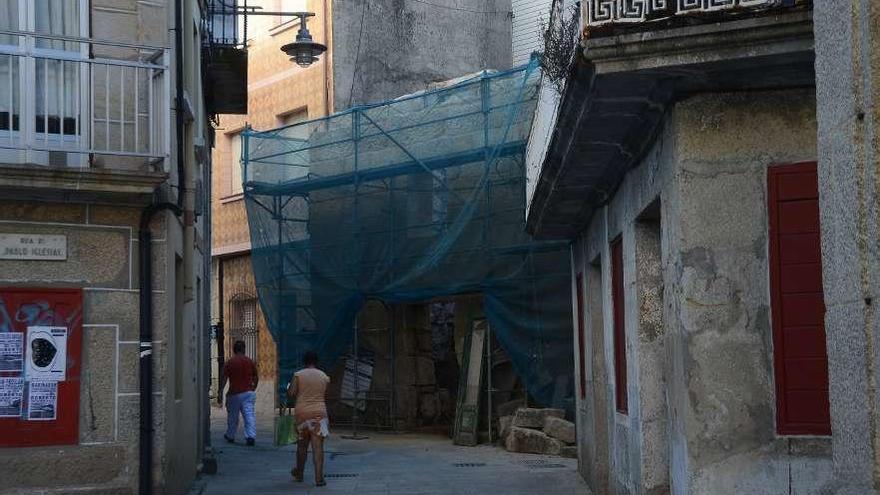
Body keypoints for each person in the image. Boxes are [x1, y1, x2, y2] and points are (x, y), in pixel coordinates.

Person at [287, 351, 330, 487]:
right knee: (318, 447)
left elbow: (292, 393)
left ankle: (299, 473)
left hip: (302, 414)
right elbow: (324, 394)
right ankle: (319, 478)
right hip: (320, 414)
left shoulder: (298, 375)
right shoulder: (324, 376)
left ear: (304, 361)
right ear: (316, 362)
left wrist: (289, 388)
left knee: (302, 446)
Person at [222, 340, 259, 446]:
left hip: (234, 393)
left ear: (234, 350)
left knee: (233, 417)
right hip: (248, 392)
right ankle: (250, 436)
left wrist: (221, 390)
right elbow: (256, 376)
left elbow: (224, 378)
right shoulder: (250, 361)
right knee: (249, 415)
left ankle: (230, 435)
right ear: (244, 349)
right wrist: (253, 387)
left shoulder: (230, 362)